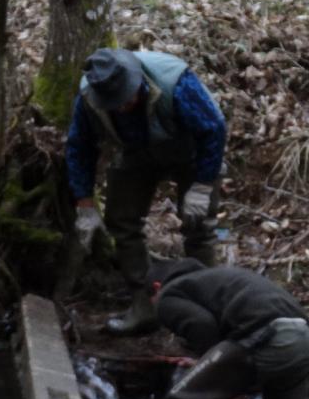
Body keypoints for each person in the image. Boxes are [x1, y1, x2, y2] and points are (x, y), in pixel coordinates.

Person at [66, 48, 227, 335]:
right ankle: (145, 305)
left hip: (189, 150)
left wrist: (202, 186)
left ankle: (208, 307)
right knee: (121, 222)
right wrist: (85, 205)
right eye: (114, 103)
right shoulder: (90, 98)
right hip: (135, 151)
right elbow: (79, 147)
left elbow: (213, 130)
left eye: (126, 98)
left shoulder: (175, 83)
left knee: (198, 225)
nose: (122, 106)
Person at [150, 258, 309, 399]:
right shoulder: (217, 281)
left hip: (265, 335)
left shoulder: (169, 293)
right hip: (303, 338)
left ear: (156, 287)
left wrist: (210, 371)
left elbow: (203, 326)